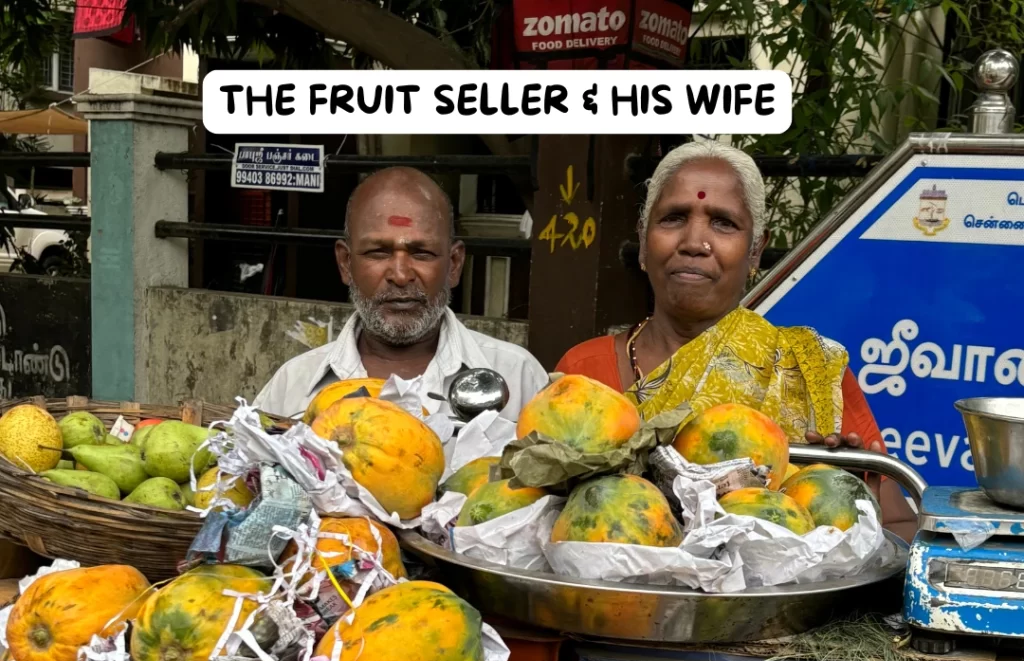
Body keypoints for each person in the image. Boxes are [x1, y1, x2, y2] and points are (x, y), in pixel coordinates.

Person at [556, 139, 917, 542]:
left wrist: (849, 496)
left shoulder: (810, 370)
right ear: (643, 242)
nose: (694, 242)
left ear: (755, 252)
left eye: (723, 223)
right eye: (674, 218)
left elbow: (900, 528)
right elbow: (536, 516)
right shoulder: (583, 373)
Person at [256, 166, 549, 421]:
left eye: (421, 253)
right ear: (346, 263)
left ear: (454, 264)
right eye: (378, 252)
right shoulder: (293, 386)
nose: (400, 275)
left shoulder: (518, 377)